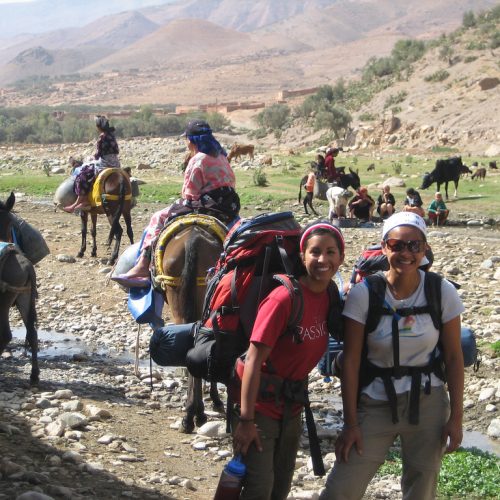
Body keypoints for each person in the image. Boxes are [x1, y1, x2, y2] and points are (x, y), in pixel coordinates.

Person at [320, 211, 464, 500]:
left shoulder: (441, 291)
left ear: (425, 249)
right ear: (385, 247)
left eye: (414, 245)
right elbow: (350, 360)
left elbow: (453, 357)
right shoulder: (365, 293)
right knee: (340, 489)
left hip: (428, 402)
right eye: (397, 244)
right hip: (375, 401)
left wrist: (456, 417)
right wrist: (351, 424)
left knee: (421, 489)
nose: (406, 253)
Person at [232, 221, 345, 500]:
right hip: (258, 409)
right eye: (315, 252)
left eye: (331, 252)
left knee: (280, 488)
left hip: (292, 408)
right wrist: (245, 421)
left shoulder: (331, 295)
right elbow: (254, 361)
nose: (323, 260)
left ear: (341, 257)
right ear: (303, 256)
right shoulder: (283, 299)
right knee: (258, 488)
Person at [112, 119, 240, 287]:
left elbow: (190, 193)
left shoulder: (198, 160)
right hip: (228, 207)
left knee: (158, 217)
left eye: (186, 138)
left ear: (193, 140)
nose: (186, 142)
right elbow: (231, 182)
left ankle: (143, 265)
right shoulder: (222, 157)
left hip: (207, 207)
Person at [64, 116, 121, 213]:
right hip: (115, 163)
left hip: (105, 163)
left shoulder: (102, 137)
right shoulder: (112, 136)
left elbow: (98, 154)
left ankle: (82, 200)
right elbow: (116, 151)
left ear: (99, 127)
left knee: (83, 174)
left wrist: (91, 158)